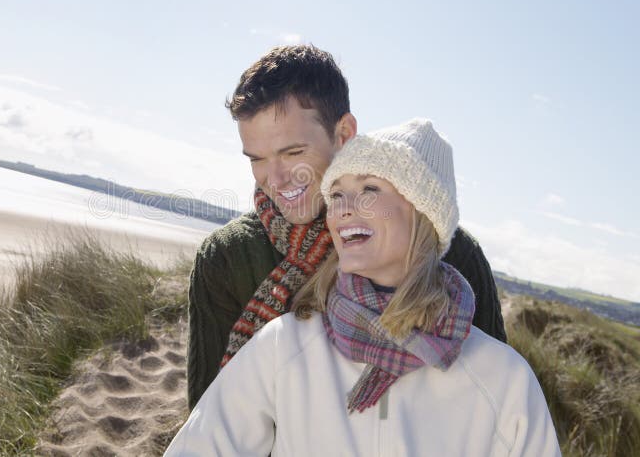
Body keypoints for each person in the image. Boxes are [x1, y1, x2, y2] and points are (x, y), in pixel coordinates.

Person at [167, 119, 560, 456]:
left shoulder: (502, 378)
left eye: (370, 189)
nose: (343, 209)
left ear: (424, 213)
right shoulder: (285, 347)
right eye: (336, 193)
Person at [187, 45, 506, 410]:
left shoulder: (449, 253)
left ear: (343, 134)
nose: (273, 179)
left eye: (293, 153)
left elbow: (491, 403)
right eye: (257, 159)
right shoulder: (226, 259)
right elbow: (208, 416)